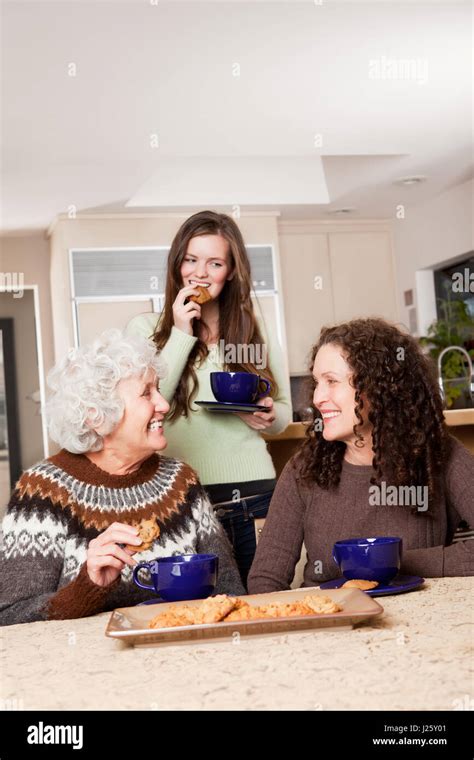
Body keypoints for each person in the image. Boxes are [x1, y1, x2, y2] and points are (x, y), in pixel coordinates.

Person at [0, 330, 244, 626]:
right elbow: (10, 618)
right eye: (146, 393)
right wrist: (87, 587)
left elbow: (230, 595)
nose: (164, 405)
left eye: (158, 389)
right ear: (97, 416)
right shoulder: (42, 491)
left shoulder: (181, 482)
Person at [247, 318, 474, 592]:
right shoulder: (304, 468)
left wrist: (397, 562)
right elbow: (265, 580)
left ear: (379, 388)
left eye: (332, 381)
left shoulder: (439, 455)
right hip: (331, 625)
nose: (317, 397)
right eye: (317, 382)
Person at [127, 210, 292, 587]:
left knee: (262, 603)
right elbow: (147, 405)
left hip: (255, 495)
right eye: (191, 260)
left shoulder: (252, 328)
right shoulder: (145, 330)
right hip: (182, 500)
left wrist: (268, 415)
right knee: (194, 607)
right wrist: (182, 333)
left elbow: (283, 412)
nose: (200, 273)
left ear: (231, 271)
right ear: (177, 264)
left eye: (214, 263)